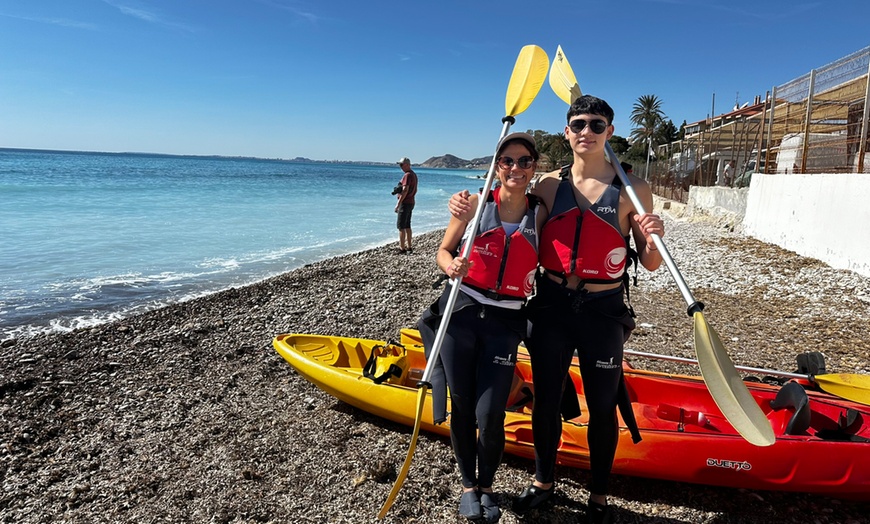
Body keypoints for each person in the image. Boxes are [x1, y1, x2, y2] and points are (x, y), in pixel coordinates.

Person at [449, 95, 665, 524]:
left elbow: (652, 261)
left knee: (602, 406)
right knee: (546, 400)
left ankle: (599, 497)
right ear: (567, 132)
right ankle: (544, 483)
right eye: (579, 124)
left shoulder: (634, 189)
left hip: (603, 308)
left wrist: (653, 236)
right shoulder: (548, 184)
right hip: (550, 304)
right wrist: (463, 207)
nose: (587, 131)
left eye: (597, 125)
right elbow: (508, 209)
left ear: (610, 132)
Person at [417, 132, 547, 523]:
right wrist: (450, 265)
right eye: (507, 161)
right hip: (463, 312)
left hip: (506, 320)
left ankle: (487, 484)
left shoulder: (541, 212)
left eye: (524, 161)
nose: (515, 168)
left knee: (491, 413)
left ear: (534, 167)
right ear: (496, 166)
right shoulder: (473, 205)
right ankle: (469, 487)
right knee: (462, 406)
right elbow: (443, 251)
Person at [395, 157, 418, 253]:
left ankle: (402, 248)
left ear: (407, 165)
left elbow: (405, 190)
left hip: (405, 203)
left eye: (401, 165)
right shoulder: (413, 175)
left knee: (401, 226)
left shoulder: (407, 175)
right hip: (411, 202)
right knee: (407, 225)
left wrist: (398, 204)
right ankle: (409, 246)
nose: (400, 167)